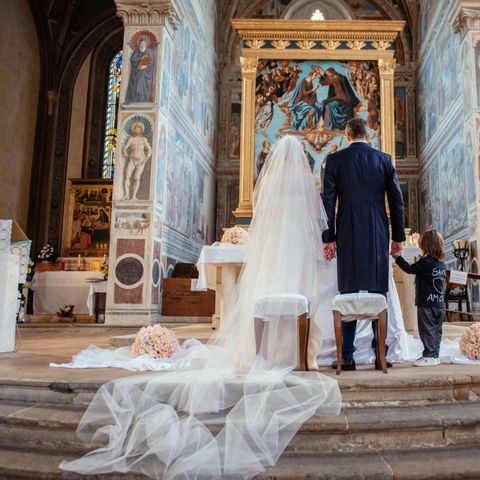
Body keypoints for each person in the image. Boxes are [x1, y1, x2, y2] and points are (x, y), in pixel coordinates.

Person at [59, 136, 341, 479]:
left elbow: (261, 227)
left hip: (273, 261)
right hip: (299, 258)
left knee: (268, 296)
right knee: (302, 298)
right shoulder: (309, 190)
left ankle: (262, 353)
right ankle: (299, 355)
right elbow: (319, 226)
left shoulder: (269, 191)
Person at [322, 117, 405, 371]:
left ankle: (347, 356)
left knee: (348, 290)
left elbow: (327, 201)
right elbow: (397, 201)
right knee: (378, 291)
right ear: (368, 135)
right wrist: (398, 237)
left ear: (347, 135)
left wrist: (329, 238)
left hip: (347, 228)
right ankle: (381, 354)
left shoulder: (335, 160)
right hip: (377, 229)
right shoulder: (384, 159)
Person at [392, 229, 446, 366]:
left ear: (425, 246)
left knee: (426, 330)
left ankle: (428, 356)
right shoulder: (442, 264)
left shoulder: (425, 262)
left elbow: (409, 269)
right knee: (436, 331)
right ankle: (435, 355)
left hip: (426, 303)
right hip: (439, 304)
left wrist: (398, 257)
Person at [122, 122, 152, 200]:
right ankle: (126, 195)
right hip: (132, 159)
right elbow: (125, 148)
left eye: (139, 129)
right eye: (136, 129)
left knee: (136, 178)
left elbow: (149, 149)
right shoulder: (131, 139)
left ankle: (134, 196)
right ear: (134, 130)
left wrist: (146, 159)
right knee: (127, 176)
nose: (137, 130)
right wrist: (126, 155)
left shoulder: (144, 139)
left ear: (141, 130)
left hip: (141, 160)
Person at [125, 36, 154, 104]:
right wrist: (141, 58)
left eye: (144, 43)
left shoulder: (148, 52)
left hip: (145, 73)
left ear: (146, 45)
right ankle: (134, 99)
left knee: (143, 86)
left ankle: (143, 99)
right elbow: (133, 60)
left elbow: (151, 62)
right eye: (141, 43)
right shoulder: (136, 51)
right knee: (134, 85)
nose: (142, 45)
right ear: (139, 44)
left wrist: (146, 66)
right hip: (135, 72)